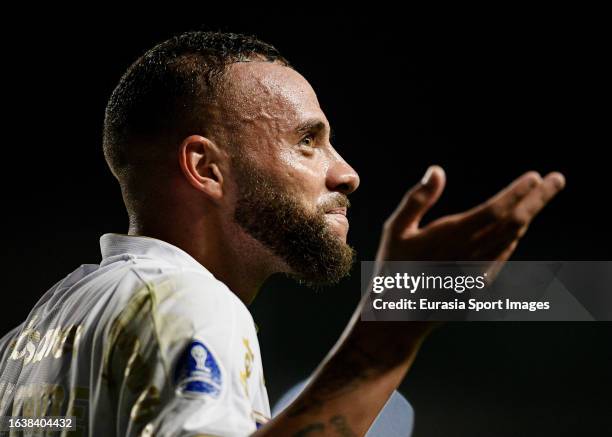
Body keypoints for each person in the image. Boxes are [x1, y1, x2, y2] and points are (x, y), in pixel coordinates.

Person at [0, 31, 565, 437]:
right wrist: (392, 326)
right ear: (206, 168)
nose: (346, 172)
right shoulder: (185, 304)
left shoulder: (36, 332)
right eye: (306, 142)